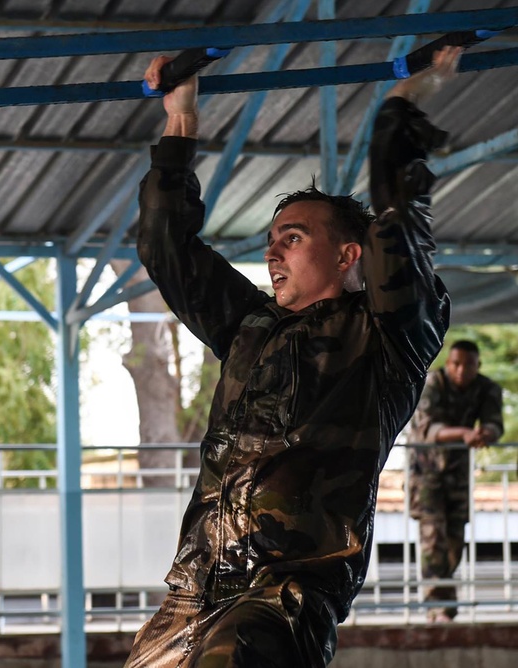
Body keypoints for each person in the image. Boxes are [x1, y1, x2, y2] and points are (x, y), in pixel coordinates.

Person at [124, 47, 460, 667]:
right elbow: (164, 244)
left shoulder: (388, 338)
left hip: (285, 595)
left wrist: (406, 100)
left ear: (348, 255)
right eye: (271, 242)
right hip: (196, 591)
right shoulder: (252, 326)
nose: (273, 255)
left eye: (293, 239)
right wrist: (181, 120)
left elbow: (397, 221)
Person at [407, 339, 503, 623]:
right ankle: (439, 608)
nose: (462, 370)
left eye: (469, 364)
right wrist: (464, 433)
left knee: (454, 541)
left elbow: (496, 423)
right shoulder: (434, 384)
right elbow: (427, 429)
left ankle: (444, 604)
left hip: (458, 474)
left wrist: (486, 433)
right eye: (456, 364)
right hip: (427, 474)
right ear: (448, 364)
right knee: (433, 538)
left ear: (478, 366)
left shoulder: (487, 389)